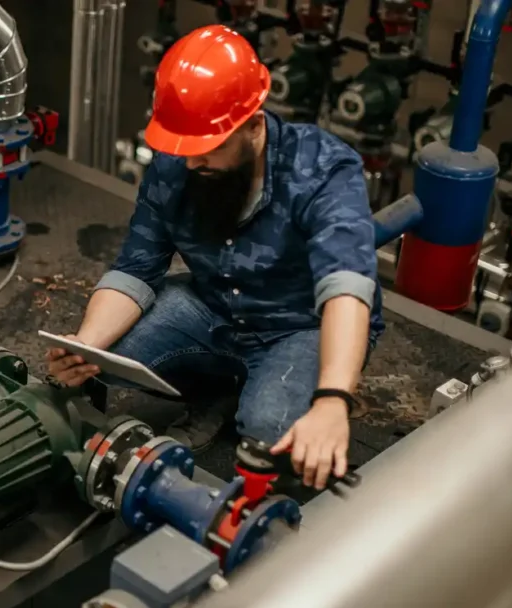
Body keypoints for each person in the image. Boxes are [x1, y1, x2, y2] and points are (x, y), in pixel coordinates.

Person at [47, 25, 383, 490]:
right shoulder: (178, 162)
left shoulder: (322, 169)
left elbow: (346, 286)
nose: (191, 163)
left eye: (208, 148)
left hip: (300, 325)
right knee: (111, 356)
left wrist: (332, 400)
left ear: (253, 124)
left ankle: (269, 394)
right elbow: (135, 269)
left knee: (268, 437)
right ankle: (222, 391)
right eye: (184, 148)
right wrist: (86, 347)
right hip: (215, 304)